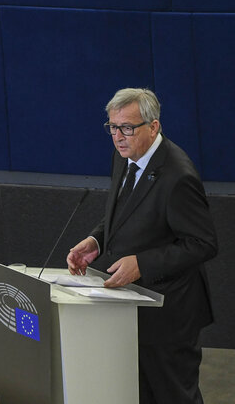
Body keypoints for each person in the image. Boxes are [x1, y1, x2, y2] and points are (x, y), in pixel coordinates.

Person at [67, 88, 218, 404]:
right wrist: (97, 240)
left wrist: (142, 264)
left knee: (174, 396)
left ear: (154, 126)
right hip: (134, 306)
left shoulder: (178, 176)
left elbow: (203, 244)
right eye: (112, 127)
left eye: (127, 128)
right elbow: (126, 211)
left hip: (170, 314)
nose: (118, 136)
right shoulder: (124, 157)